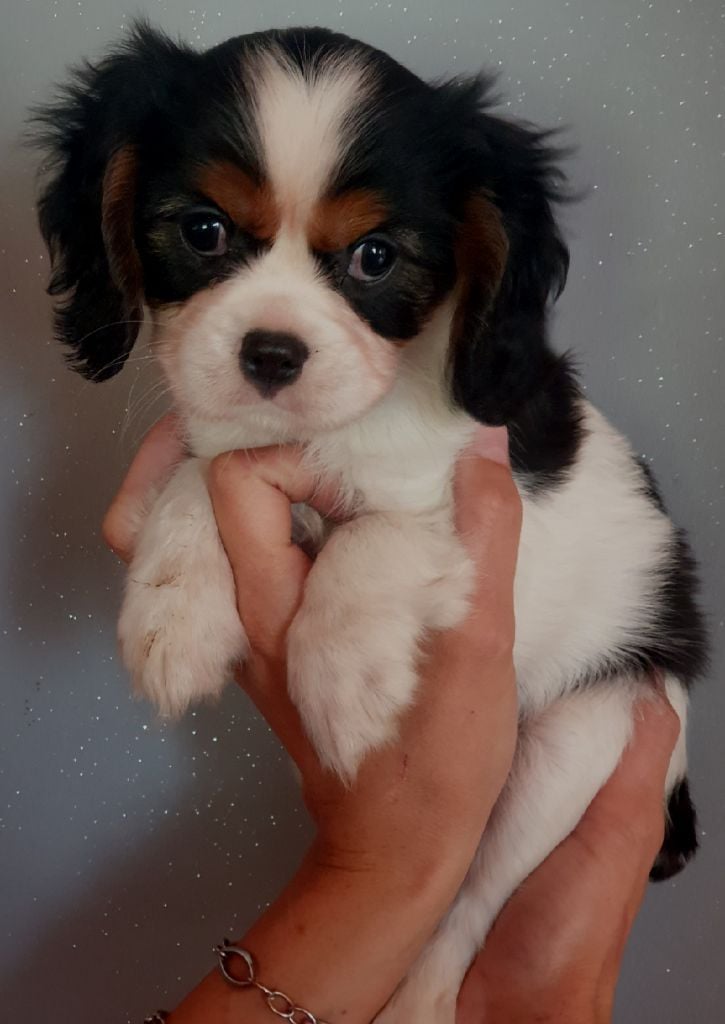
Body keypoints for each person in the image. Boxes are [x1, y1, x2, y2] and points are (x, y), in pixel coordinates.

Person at [103, 417, 680, 1024]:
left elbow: (420, 515)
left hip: (596, 678)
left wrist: (382, 865)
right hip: (468, 755)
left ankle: (447, 962)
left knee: (598, 727)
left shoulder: (449, 417)